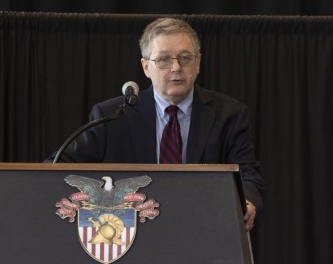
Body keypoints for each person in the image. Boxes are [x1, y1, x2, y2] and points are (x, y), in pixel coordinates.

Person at [48, 17, 265, 230]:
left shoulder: (229, 114)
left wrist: (247, 202)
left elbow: (247, 174)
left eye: (185, 58)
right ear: (146, 67)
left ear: (198, 63)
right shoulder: (113, 115)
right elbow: (60, 164)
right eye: (164, 59)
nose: (176, 67)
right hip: (132, 233)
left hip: (202, 228)